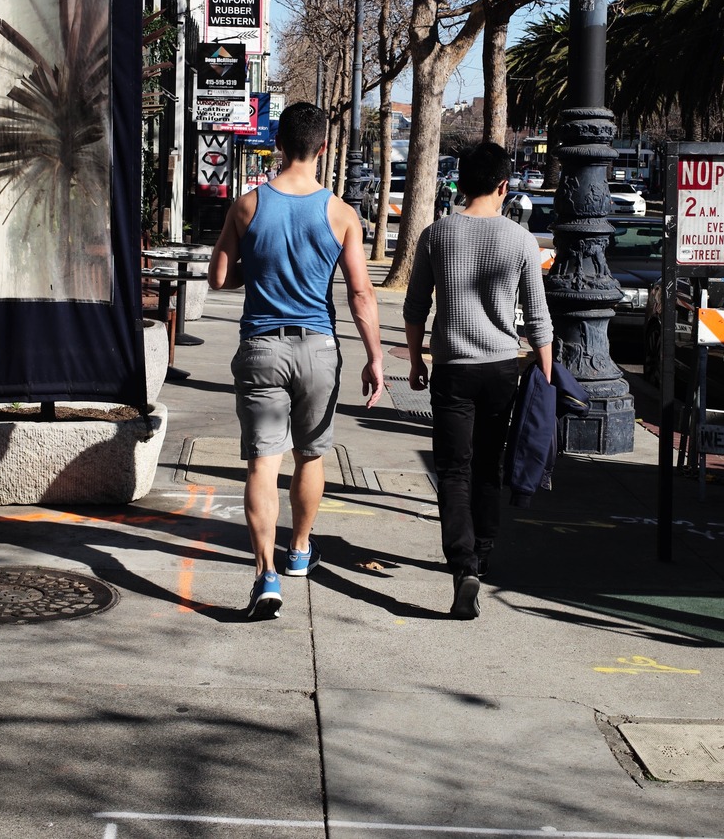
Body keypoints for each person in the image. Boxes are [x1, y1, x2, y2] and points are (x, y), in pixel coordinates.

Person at [208, 102, 385, 619]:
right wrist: (375, 357)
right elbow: (360, 293)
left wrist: (259, 270)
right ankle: (300, 550)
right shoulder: (342, 214)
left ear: (278, 144)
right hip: (318, 349)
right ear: (323, 148)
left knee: (263, 463)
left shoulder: (247, 206)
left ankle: (265, 575)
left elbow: (220, 278)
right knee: (310, 455)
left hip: (261, 347)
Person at [403, 142, 552, 619]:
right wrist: (546, 376)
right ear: (504, 186)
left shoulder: (436, 235)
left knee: (453, 470)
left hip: (453, 369)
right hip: (502, 368)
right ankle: (483, 552)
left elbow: (415, 307)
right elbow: (538, 319)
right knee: (489, 464)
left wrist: (416, 360)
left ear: (461, 183)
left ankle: (462, 562)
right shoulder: (522, 240)